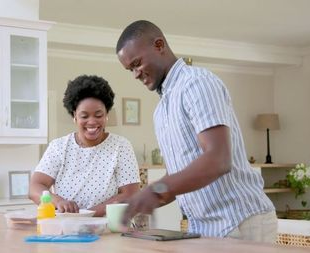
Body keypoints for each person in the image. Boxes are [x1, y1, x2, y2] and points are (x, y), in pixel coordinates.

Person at [116, 20, 277, 242]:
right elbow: (179, 173)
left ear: (159, 45)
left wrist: (155, 191)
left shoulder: (196, 83)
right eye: (129, 69)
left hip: (239, 220)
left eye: (137, 63)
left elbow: (218, 159)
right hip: (203, 227)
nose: (135, 74)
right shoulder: (162, 110)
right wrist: (139, 201)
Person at [29, 75, 140, 217]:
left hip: (107, 228)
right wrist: (58, 201)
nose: (92, 122)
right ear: (74, 116)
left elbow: (130, 194)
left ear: (107, 115)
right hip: (67, 227)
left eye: (98, 115)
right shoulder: (58, 147)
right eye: (84, 116)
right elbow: (35, 187)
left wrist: (88, 215)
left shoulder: (121, 146)